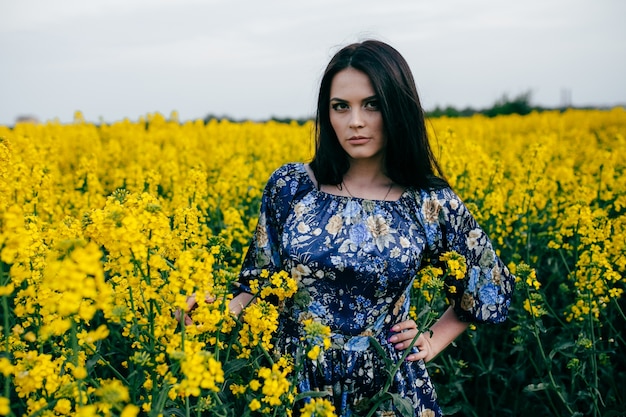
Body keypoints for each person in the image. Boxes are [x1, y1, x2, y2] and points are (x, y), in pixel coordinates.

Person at [185, 39, 515, 416]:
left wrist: (432, 340)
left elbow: (490, 283)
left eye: (371, 105)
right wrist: (213, 314)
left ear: (398, 108)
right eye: (340, 107)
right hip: (292, 382)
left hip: (387, 389)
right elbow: (259, 282)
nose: (355, 121)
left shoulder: (429, 201)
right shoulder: (291, 187)